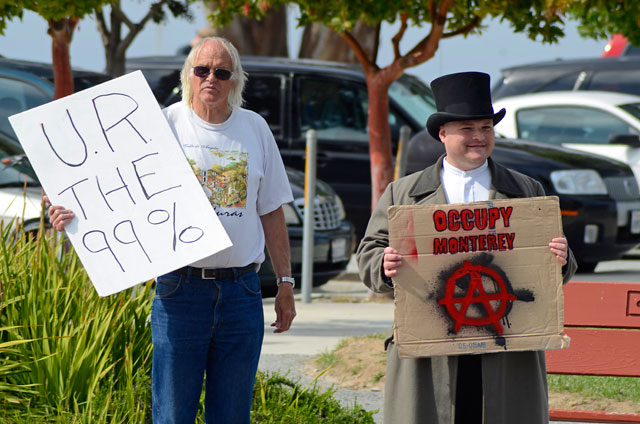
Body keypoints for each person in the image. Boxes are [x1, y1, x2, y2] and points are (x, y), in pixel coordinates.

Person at [46, 36, 296, 424]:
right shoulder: (161, 125)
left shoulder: (255, 129)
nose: (210, 77)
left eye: (221, 71)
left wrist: (285, 284)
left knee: (232, 415)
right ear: (189, 76)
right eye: (202, 70)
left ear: (235, 80)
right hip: (180, 292)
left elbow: (271, 211)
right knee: (172, 415)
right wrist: (72, 210)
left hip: (242, 293)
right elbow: (110, 183)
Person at [356, 71, 577, 424]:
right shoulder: (404, 193)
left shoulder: (527, 192)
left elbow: (555, 266)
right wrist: (383, 263)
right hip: (430, 350)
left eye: (486, 128)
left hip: (508, 350)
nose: (479, 138)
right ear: (443, 134)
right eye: (467, 129)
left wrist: (560, 258)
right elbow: (369, 252)